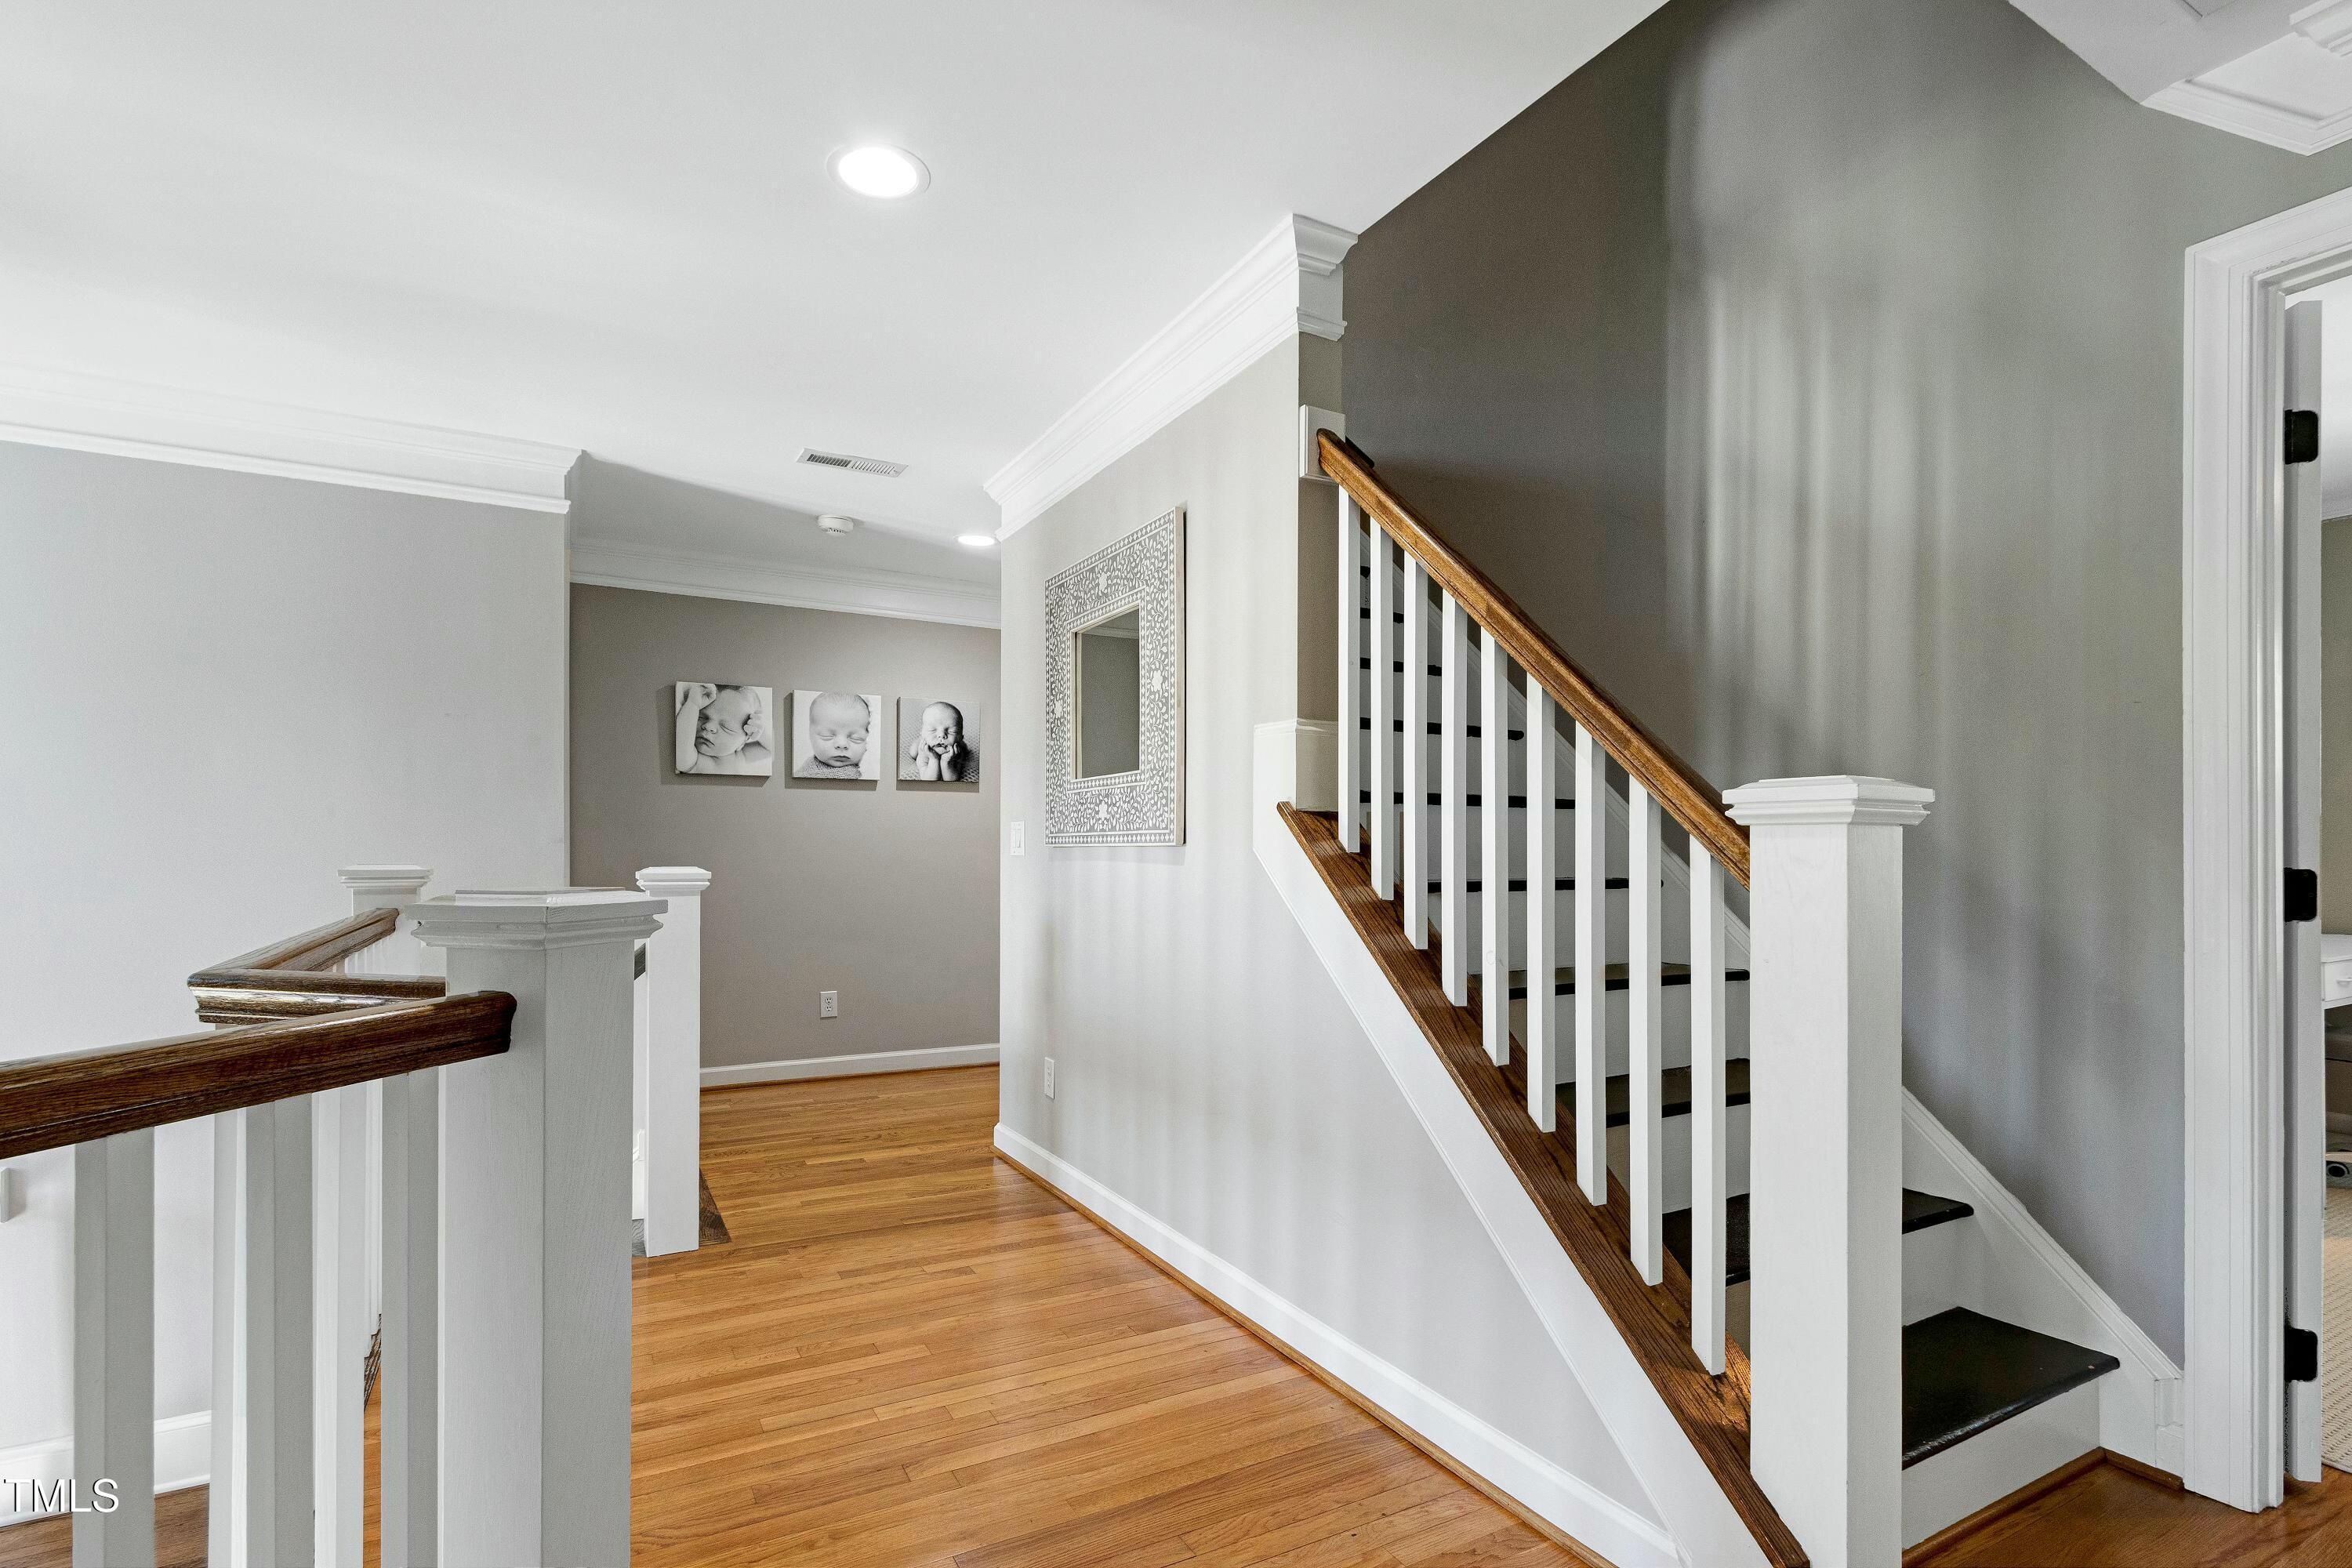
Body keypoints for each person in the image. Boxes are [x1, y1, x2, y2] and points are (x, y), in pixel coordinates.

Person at [676, 684, 771, 775]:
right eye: (701, 717)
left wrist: (760, 733)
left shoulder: (742, 756)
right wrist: (693, 704)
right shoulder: (698, 761)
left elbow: (772, 750)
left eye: (726, 727)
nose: (708, 726)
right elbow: (682, 753)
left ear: (743, 742)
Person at [800, 691, 873, 777]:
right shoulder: (808, 774)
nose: (842, 745)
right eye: (827, 736)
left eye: (856, 738)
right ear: (810, 735)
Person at [905, 701, 975, 781]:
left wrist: (946, 762)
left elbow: (951, 780)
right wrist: (933, 759)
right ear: (922, 733)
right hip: (926, 743)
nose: (941, 735)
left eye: (952, 731)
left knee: (965, 750)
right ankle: (921, 739)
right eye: (932, 730)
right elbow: (929, 780)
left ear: (960, 737)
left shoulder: (956, 753)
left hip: (955, 746)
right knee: (913, 752)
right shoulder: (924, 752)